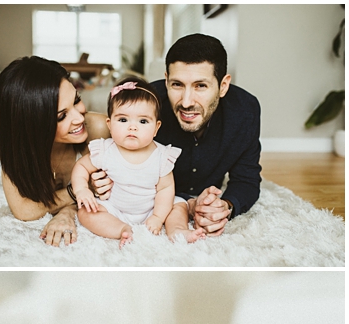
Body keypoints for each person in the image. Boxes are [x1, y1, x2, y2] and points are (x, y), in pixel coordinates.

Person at [146, 33, 261, 237]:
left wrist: (224, 207)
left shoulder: (245, 111)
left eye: (200, 86)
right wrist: (188, 203)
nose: (187, 101)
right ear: (166, 81)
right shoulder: (146, 105)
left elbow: (247, 179)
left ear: (223, 86)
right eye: (177, 84)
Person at [0, 55, 108, 247]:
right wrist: (76, 191)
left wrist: (67, 212)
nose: (79, 118)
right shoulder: (18, 152)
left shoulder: (99, 129)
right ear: (33, 125)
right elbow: (24, 211)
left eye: (77, 100)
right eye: (62, 116)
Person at [71, 79, 199, 246]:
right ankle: (121, 229)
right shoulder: (105, 150)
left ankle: (177, 230)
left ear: (156, 128)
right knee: (85, 212)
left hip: (152, 209)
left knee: (178, 205)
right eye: (123, 120)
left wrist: (158, 217)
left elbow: (165, 189)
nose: (132, 127)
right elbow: (81, 166)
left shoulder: (162, 155)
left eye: (143, 121)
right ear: (109, 124)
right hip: (114, 210)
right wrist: (81, 190)